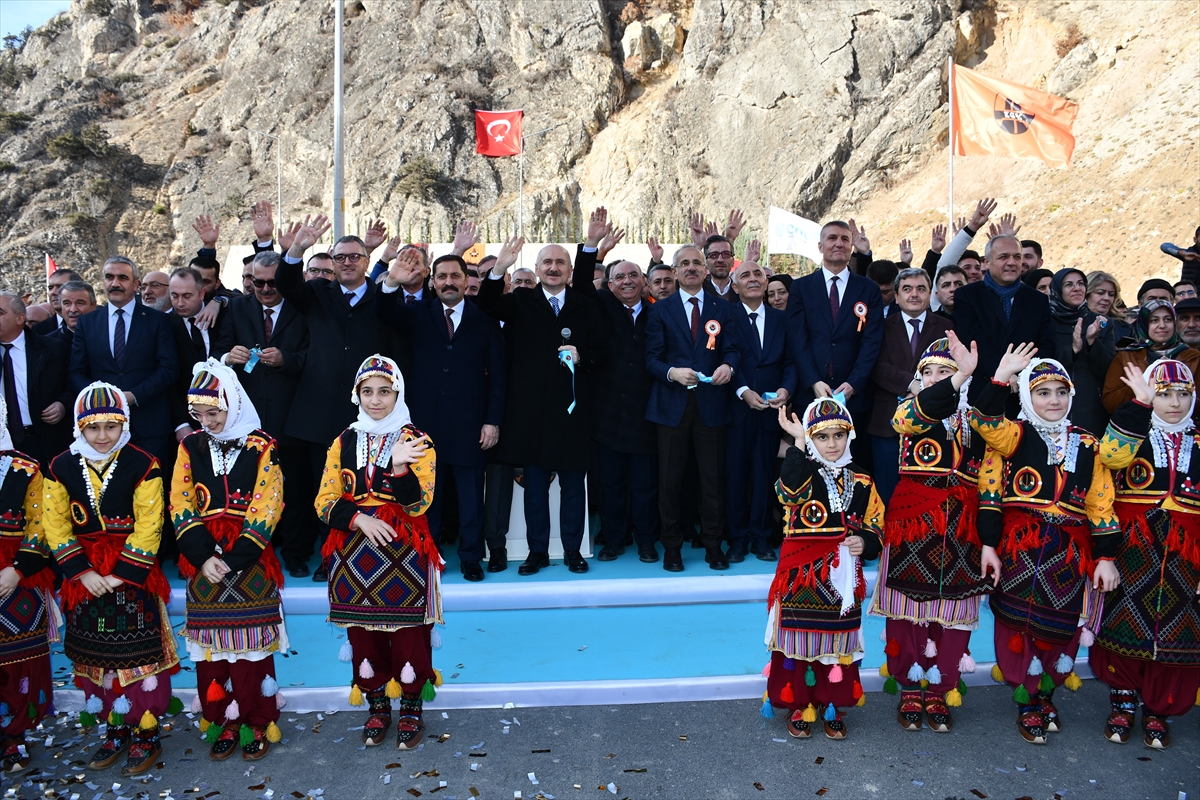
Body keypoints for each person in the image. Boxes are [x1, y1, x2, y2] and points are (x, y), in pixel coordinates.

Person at [973, 347, 1120, 745]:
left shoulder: (1088, 443)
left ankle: (1047, 691)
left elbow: (1100, 501)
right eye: (1043, 392)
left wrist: (1105, 556)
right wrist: (1001, 375)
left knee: (1061, 627)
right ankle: (1026, 698)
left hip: (1069, 553)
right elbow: (985, 435)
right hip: (1020, 548)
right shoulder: (1012, 435)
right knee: (1016, 623)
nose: (1053, 400)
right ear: (1026, 397)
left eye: (1061, 391)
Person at [43, 383, 178, 775]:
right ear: (78, 428)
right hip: (84, 579)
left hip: (129, 579)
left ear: (125, 424)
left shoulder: (144, 463)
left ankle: (147, 731)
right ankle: (115, 727)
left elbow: (151, 524)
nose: (102, 436)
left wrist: (121, 575)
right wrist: (81, 572)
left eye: (111, 426)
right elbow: (56, 526)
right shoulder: (59, 466)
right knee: (95, 659)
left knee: (139, 658)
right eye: (93, 427)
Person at [315, 355, 440, 750]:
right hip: (354, 553)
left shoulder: (417, 440)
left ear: (397, 393)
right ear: (356, 395)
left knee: (407, 634)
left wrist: (399, 468)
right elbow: (324, 499)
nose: (375, 400)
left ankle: (411, 709)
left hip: (403, 552)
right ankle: (377, 705)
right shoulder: (343, 440)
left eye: (384, 392)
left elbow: (420, 505)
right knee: (363, 634)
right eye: (366, 392)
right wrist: (359, 520)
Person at [275, 214, 407, 582]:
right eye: (340, 257)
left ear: (367, 261)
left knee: (353, 490)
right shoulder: (318, 293)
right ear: (332, 264)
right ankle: (299, 554)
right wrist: (297, 247)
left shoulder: (383, 299)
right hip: (314, 410)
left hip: (364, 415)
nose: (347, 262)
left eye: (354, 256)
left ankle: (335, 555)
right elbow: (286, 282)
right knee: (308, 489)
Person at [870, 334, 987, 733]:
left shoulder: (977, 420)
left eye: (947, 371)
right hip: (913, 527)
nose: (936, 378)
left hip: (962, 530)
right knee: (907, 613)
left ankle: (940, 688)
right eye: (929, 373)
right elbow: (907, 421)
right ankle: (908, 685)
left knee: (953, 616)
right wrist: (951, 384)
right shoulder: (909, 411)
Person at [169, 360, 285, 760]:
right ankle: (223, 720)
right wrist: (202, 557)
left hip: (248, 560)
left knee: (251, 649)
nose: (207, 421)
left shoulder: (260, 445)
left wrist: (234, 559)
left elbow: (268, 504)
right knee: (212, 651)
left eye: (214, 412)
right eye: (198, 414)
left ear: (232, 404)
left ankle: (256, 719)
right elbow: (181, 502)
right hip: (203, 565)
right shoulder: (189, 446)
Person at [477, 237, 607, 575]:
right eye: (546, 262)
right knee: (535, 490)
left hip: (573, 415)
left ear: (569, 270)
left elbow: (603, 352)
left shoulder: (585, 305)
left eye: (560, 262)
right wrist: (500, 268)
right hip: (530, 415)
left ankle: (573, 551)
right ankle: (537, 552)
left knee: (573, 490)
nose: (553, 267)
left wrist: (584, 356)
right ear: (536, 270)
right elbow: (486, 305)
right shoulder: (520, 300)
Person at [377, 250, 507, 581]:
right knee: (427, 496)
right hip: (424, 423)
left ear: (466, 281)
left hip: (470, 424)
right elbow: (383, 312)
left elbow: (499, 375)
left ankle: (471, 557)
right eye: (442, 276)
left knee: (470, 498)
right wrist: (392, 281)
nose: (449, 282)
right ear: (432, 282)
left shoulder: (485, 320)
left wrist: (492, 420)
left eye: (455, 276)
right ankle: (428, 555)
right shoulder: (417, 312)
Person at [1093, 360, 1200, 749]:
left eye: (1182, 394)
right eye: (1163, 393)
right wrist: (1139, 404)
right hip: (1134, 550)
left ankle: (1158, 711)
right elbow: (1110, 458)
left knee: (1177, 633)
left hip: (1187, 556)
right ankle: (1122, 704)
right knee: (1123, 626)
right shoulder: (1133, 431)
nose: (1173, 403)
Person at [765, 399, 883, 740]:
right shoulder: (802, 470)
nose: (832, 444)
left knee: (838, 643)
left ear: (850, 435)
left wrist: (866, 541)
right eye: (822, 437)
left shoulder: (861, 479)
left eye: (839, 435)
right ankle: (799, 705)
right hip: (802, 575)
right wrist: (798, 442)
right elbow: (788, 492)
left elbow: (877, 522)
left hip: (842, 578)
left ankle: (832, 705)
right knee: (798, 642)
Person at [214, 251, 315, 578]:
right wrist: (230, 356)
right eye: (259, 282)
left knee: (295, 490)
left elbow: (314, 357)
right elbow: (217, 352)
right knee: (248, 491)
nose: (266, 289)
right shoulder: (237, 307)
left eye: (273, 282)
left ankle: (297, 552)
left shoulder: (302, 307)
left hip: (294, 415)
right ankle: (254, 552)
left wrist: (286, 359)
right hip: (246, 419)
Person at [645, 244, 740, 572]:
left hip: (712, 405)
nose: (691, 268)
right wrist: (672, 372)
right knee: (670, 480)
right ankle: (672, 547)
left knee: (713, 479)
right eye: (683, 263)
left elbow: (733, 350)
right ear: (674, 271)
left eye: (696, 263)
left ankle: (713, 545)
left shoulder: (722, 308)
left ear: (705, 268)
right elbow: (651, 359)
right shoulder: (659, 310)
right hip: (670, 407)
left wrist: (728, 365)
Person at [572, 209, 660, 562]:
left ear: (644, 282)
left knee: (645, 486)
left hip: (646, 415)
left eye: (633, 275)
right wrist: (592, 245)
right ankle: (613, 539)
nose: (626, 281)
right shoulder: (602, 306)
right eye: (619, 276)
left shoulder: (659, 312)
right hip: (607, 415)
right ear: (609, 285)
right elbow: (579, 284)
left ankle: (647, 542)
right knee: (611, 485)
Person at [69, 256, 180, 467]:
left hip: (149, 424)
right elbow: (76, 372)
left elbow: (168, 368)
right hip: (100, 427)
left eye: (123, 278)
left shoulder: (158, 321)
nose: (115, 283)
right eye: (109, 277)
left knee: (152, 489)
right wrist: (100, 399)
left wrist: (134, 396)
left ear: (136, 284)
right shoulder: (87, 323)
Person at [786, 221, 885, 439]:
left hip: (854, 397)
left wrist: (853, 383)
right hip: (811, 395)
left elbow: (872, 341)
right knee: (812, 465)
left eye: (845, 239)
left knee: (853, 465)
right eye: (832, 238)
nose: (838, 243)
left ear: (851, 247)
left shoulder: (868, 289)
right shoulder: (801, 288)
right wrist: (813, 381)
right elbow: (797, 339)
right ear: (820, 246)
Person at [725, 251, 794, 561]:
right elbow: (724, 357)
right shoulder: (725, 316)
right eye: (745, 275)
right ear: (735, 285)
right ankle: (738, 538)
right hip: (737, 409)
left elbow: (792, 361)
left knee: (766, 474)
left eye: (757, 275)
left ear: (767, 282)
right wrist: (741, 390)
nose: (752, 279)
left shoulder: (783, 319)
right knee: (736, 475)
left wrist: (785, 388)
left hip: (771, 410)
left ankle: (762, 538)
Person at [0, 394, 55, 772]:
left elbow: (42, 527)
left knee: (17, 663)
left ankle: (15, 734)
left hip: (17, 579)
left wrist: (16, 570)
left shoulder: (27, 469)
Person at [866, 268, 953, 504]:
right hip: (887, 422)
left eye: (920, 289)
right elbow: (874, 365)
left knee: (926, 490)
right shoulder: (881, 326)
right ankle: (886, 540)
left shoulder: (947, 327)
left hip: (934, 422)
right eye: (907, 289)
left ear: (929, 295)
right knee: (887, 490)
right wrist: (911, 384)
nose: (914, 294)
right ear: (896, 296)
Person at [951, 234, 1055, 412]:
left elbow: (1045, 344)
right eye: (1003, 257)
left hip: (1026, 395)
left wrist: (1023, 376)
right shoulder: (967, 296)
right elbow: (973, 340)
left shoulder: (1037, 300)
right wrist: (1005, 374)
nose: (1012, 262)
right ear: (987, 262)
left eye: (1017, 256)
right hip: (982, 393)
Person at [0, 292, 72, 468]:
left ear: (20, 318)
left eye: (0, 312)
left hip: (43, 441)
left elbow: (73, 384)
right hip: (4, 444)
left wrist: (63, 404)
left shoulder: (53, 349)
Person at [1102, 301, 1200, 421]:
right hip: (1138, 430)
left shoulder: (1193, 357)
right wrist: (1145, 379)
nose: (1162, 325)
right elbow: (1110, 404)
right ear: (1144, 324)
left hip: (1181, 430)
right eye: (1154, 320)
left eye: (1168, 319)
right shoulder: (1126, 357)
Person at [1046, 268, 1115, 437]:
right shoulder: (1045, 322)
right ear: (1057, 290)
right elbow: (1040, 365)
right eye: (1068, 284)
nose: (1076, 288)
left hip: (1091, 409)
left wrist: (1092, 342)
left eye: (1080, 284)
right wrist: (1072, 350)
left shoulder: (1102, 323)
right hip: (1052, 406)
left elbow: (1108, 370)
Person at [31, 269, 84, 335]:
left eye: (60, 287)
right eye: (50, 288)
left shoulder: (97, 323)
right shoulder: (38, 330)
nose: (53, 292)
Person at [50, 280, 98, 349]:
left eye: (80, 303)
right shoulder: (48, 343)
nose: (73, 309)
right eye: (67, 303)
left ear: (93, 305)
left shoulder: (108, 338)